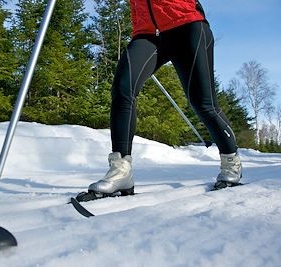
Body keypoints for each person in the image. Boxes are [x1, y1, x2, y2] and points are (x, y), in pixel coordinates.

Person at [78, 0, 242, 201]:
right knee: (123, 89)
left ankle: (231, 162)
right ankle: (121, 171)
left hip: (186, 24)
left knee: (203, 103)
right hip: (147, 33)